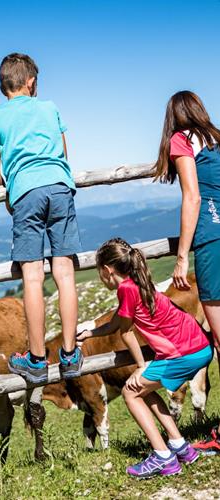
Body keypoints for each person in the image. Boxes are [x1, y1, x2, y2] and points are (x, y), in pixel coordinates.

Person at [0, 53, 83, 383]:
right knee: (65, 272)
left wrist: (9, 186)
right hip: (59, 186)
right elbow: (64, 153)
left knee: (33, 278)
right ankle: (70, 355)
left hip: (26, 193)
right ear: (31, 81)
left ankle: (38, 360)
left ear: (3, 86)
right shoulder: (49, 107)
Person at [77, 238, 213, 478]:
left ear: (107, 270)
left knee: (131, 391)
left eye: (99, 272)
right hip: (197, 347)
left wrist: (140, 367)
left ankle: (163, 457)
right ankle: (180, 446)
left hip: (184, 353)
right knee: (144, 390)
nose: (100, 277)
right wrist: (90, 333)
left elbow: (126, 332)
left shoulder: (125, 289)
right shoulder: (136, 284)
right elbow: (117, 323)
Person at [154, 90, 220, 455]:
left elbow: (192, 197)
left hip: (213, 241)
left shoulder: (183, 140)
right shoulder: (218, 138)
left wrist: (182, 256)